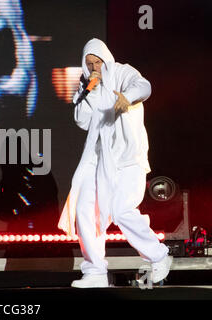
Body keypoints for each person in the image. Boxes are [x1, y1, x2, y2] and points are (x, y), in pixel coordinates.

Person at [58, 38, 172, 288]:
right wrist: (89, 91)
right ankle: (95, 271)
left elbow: (144, 86)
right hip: (98, 160)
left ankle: (158, 255)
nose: (94, 67)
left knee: (121, 210)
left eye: (97, 61)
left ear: (106, 59)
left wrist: (127, 97)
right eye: (89, 64)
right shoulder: (87, 86)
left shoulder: (123, 72)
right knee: (85, 212)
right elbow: (82, 121)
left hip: (128, 160)